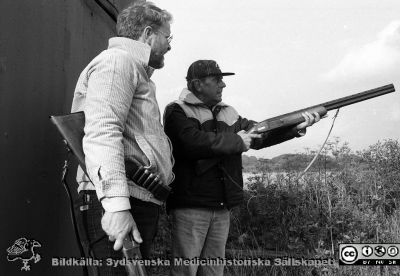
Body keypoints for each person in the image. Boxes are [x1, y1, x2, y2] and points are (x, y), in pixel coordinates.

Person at [164, 60, 321, 276]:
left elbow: (259, 135)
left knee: (213, 270)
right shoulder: (177, 111)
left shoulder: (229, 112)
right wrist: (237, 141)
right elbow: (191, 142)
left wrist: (295, 128)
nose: (223, 85)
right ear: (198, 84)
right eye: (217, 80)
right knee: (185, 271)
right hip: (191, 206)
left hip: (221, 206)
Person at [70, 1, 174, 274]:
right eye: (167, 37)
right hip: (122, 198)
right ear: (148, 33)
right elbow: (102, 130)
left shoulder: (133, 68)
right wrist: (116, 207)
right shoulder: (118, 62)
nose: (170, 45)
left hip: (135, 197)